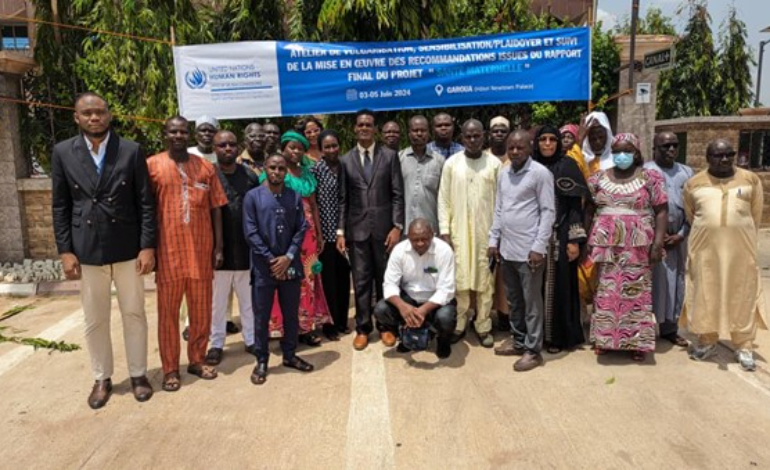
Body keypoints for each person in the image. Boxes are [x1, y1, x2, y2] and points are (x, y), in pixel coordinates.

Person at [51, 92, 156, 409]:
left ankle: (138, 374)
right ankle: (102, 377)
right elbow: (60, 205)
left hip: (126, 247)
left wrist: (147, 245)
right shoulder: (63, 152)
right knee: (95, 319)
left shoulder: (130, 150)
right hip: (87, 249)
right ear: (77, 117)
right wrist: (65, 250)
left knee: (134, 314)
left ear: (109, 115)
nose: (94, 118)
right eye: (88, 113)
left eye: (100, 112)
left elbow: (145, 203)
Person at [147, 116, 228, 391]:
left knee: (201, 310)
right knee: (168, 315)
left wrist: (218, 247)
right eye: (174, 131)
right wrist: (147, 249)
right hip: (168, 253)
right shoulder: (152, 166)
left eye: (183, 131)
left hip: (200, 251)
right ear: (165, 134)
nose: (179, 136)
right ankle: (170, 368)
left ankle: (197, 359)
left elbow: (217, 207)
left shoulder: (205, 167)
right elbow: (146, 212)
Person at [683, 139, 767, 371]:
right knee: (705, 292)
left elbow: (755, 215)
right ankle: (707, 340)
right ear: (707, 158)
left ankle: (744, 345)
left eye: (729, 154)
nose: (725, 159)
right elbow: (692, 215)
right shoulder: (694, 183)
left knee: (742, 293)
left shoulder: (750, 180)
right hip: (705, 250)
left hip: (741, 250)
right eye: (718, 155)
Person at [585, 133, 668, 362]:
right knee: (606, 292)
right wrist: (584, 241)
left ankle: (637, 342)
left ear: (637, 152)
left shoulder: (650, 177)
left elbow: (661, 210)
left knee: (637, 293)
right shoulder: (597, 179)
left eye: (627, 151)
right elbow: (589, 210)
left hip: (639, 246)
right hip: (607, 245)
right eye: (618, 151)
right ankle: (605, 340)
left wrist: (658, 243)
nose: (622, 155)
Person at [337, 109, 405, 351]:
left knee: (385, 280)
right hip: (357, 232)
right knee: (362, 281)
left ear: (375, 129)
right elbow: (343, 199)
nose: (364, 128)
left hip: (385, 232)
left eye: (368, 124)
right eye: (360, 124)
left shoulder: (389, 156)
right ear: (355, 129)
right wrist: (340, 232)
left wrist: (397, 226)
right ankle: (363, 328)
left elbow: (398, 195)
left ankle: (386, 326)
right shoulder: (345, 160)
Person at [243, 154, 314, 385]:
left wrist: (288, 257)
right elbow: (251, 233)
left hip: (290, 266)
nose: (277, 172)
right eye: (272, 167)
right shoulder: (253, 197)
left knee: (290, 313)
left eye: (281, 168)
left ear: (286, 171)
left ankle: (290, 355)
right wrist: (273, 260)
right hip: (264, 269)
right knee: (261, 316)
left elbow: (301, 228)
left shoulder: (294, 196)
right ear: (265, 169)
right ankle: (262, 360)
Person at [489, 130, 555, 371]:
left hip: (530, 253)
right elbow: (499, 208)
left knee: (531, 303)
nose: (515, 152)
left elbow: (548, 212)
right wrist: (493, 240)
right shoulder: (504, 173)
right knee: (514, 301)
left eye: (520, 147)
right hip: (507, 250)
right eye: (511, 148)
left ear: (530, 148)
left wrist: (539, 246)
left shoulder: (540, 173)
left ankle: (532, 350)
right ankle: (518, 341)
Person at [264, 131, 334, 344]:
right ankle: (284, 328)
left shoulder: (307, 175)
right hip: (283, 235)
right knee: (285, 278)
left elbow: (313, 206)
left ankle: (306, 327)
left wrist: (320, 234)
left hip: (309, 236)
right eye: (291, 147)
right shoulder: (274, 173)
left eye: (299, 148)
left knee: (308, 279)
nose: (295, 151)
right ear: (283, 148)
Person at [438, 119, 501, 348]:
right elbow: (443, 200)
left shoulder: (494, 165)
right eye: (468, 136)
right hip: (458, 234)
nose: (473, 140)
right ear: (461, 138)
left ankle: (483, 325)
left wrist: (497, 235)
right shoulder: (452, 164)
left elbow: (501, 203)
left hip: (487, 234)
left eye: (477, 136)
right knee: (460, 281)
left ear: (484, 136)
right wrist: (445, 232)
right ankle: (460, 323)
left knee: (485, 282)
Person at [530, 125, 587, 354]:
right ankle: (535, 334)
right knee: (534, 286)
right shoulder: (528, 165)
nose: (546, 144)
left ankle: (558, 337)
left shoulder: (567, 166)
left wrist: (575, 240)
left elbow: (575, 206)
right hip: (532, 234)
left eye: (551, 139)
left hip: (560, 234)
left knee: (559, 285)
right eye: (542, 139)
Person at [205, 131, 259, 365]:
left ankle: (251, 339)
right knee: (217, 303)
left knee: (248, 300)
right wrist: (214, 248)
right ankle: (216, 343)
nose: (227, 148)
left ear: (238, 148)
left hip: (246, 249)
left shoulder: (249, 175)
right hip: (218, 251)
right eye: (222, 145)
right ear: (214, 149)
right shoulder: (208, 175)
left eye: (231, 144)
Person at [374, 219, 457, 358]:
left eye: (424, 239)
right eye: (415, 240)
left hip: (435, 301)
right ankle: (406, 334)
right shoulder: (399, 250)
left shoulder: (444, 251)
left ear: (432, 234)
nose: (420, 243)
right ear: (408, 237)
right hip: (409, 300)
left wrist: (423, 310)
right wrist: (403, 307)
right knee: (381, 310)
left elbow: (446, 290)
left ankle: (442, 340)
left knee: (446, 317)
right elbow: (389, 284)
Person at [645, 132, 693, 347]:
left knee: (675, 282)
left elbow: (693, 209)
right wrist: (655, 234)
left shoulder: (686, 172)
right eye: (665, 146)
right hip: (652, 237)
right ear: (655, 148)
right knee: (652, 283)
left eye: (675, 145)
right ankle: (644, 329)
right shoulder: (645, 172)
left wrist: (681, 235)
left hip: (678, 237)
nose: (671, 150)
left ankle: (670, 329)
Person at [313, 130, 351, 335]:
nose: (331, 150)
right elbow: (314, 204)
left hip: (345, 233)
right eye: (327, 147)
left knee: (344, 279)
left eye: (334, 145)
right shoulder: (315, 170)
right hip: (326, 235)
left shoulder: (346, 166)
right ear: (321, 149)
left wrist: (342, 232)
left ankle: (342, 321)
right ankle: (329, 324)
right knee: (327, 281)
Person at [486, 116, 511, 330]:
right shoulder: (482, 157)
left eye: (503, 130)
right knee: (484, 272)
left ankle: (504, 317)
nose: (499, 134)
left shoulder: (516, 157)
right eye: (495, 130)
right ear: (489, 133)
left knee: (504, 276)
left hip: (509, 227)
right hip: (483, 224)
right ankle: (481, 316)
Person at [399, 115, 445, 233]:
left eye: (423, 130)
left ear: (429, 133)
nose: (419, 134)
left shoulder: (439, 161)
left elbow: (444, 197)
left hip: (431, 228)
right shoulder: (399, 159)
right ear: (409, 133)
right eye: (415, 130)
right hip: (405, 228)